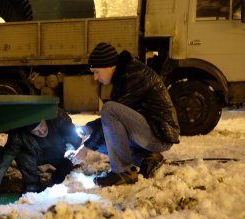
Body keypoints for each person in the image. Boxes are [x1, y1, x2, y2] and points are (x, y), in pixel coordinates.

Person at [70, 42, 180, 187]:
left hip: (159, 134)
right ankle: (147, 159)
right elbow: (111, 123)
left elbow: (111, 113)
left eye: (97, 71)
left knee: (109, 109)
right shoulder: (122, 76)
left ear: (109, 66)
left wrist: (86, 147)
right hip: (149, 131)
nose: (95, 78)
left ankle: (123, 172)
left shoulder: (134, 75)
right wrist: (89, 128)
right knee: (103, 141)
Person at [0, 108, 82, 199]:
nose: (41, 131)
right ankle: (32, 185)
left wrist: (71, 147)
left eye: (41, 125)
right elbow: (7, 156)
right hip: (36, 155)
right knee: (22, 154)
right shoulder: (18, 134)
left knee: (68, 164)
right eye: (35, 130)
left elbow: (72, 134)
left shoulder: (57, 117)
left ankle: (59, 179)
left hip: (60, 151)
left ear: (44, 118)